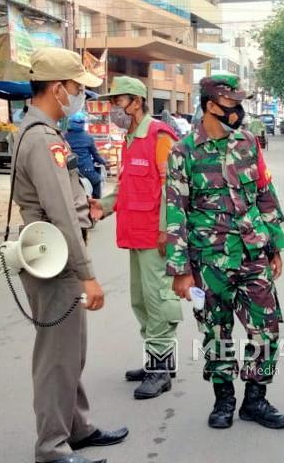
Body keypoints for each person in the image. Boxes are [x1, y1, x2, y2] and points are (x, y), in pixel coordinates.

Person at [13, 47, 128, 463]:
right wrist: (88, 275)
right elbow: (59, 212)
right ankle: (52, 447)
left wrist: (88, 206)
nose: (80, 96)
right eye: (78, 88)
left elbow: (66, 200)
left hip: (56, 253)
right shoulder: (43, 138)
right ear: (58, 88)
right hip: (57, 260)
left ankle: (76, 428)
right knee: (57, 358)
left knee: (70, 352)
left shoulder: (41, 131)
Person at [165, 75, 284, 430]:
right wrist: (181, 271)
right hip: (210, 262)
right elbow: (175, 212)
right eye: (231, 105)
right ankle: (224, 400)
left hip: (253, 255)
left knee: (266, 330)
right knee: (216, 334)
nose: (238, 112)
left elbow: (265, 193)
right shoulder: (183, 152)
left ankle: (255, 399)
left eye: (239, 104)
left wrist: (275, 244)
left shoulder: (248, 143)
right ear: (210, 106)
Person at [90, 76, 182, 400]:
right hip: (135, 234)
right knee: (140, 301)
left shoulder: (159, 136)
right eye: (113, 102)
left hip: (155, 238)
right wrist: (101, 206)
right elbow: (128, 190)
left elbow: (173, 189)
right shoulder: (129, 139)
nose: (114, 108)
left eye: (119, 101)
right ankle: (158, 362)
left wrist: (164, 231)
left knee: (157, 301)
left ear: (137, 102)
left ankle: (160, 372)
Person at [65, 112, 108, 199]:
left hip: (70, 171)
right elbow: (96, 155)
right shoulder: (88, 138)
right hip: (86, 170)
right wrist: (104, 162)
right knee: (97, 181)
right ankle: (96, 203)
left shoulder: (64, 137)